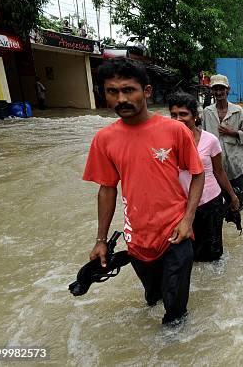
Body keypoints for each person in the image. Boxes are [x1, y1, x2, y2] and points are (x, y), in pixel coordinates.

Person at [82, 58, 205, 326]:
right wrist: (101, 239)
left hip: (176, 233)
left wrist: (187, 220)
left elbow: (197, 174)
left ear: (146, 91)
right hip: (137, 238)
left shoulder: (174, 130)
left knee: (174, 310)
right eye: (112, 92)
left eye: (129, 90)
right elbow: (107, 189)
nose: (121, 99)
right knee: (152, 298)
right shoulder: (104, 139)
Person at [168, 92, 240, 261]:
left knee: (212, 254)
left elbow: (219, 171)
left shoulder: (210, 140)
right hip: (181, 205)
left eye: (183, 114)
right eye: (173, 115)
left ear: (195, 116)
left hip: (210, 203)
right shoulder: (166, 142)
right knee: (185, 252)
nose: (178, 119)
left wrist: (232, 196)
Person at [203, 74, 243, 194]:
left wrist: (234, 133)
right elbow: (203, 138)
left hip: (235, 165)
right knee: (218, 204)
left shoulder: (237, 110)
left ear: (228, 90)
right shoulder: (207, 112)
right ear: (212, 91)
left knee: (238, 202)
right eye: (216, 89)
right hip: (215, 168)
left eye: (222, 88)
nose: (219, 92)